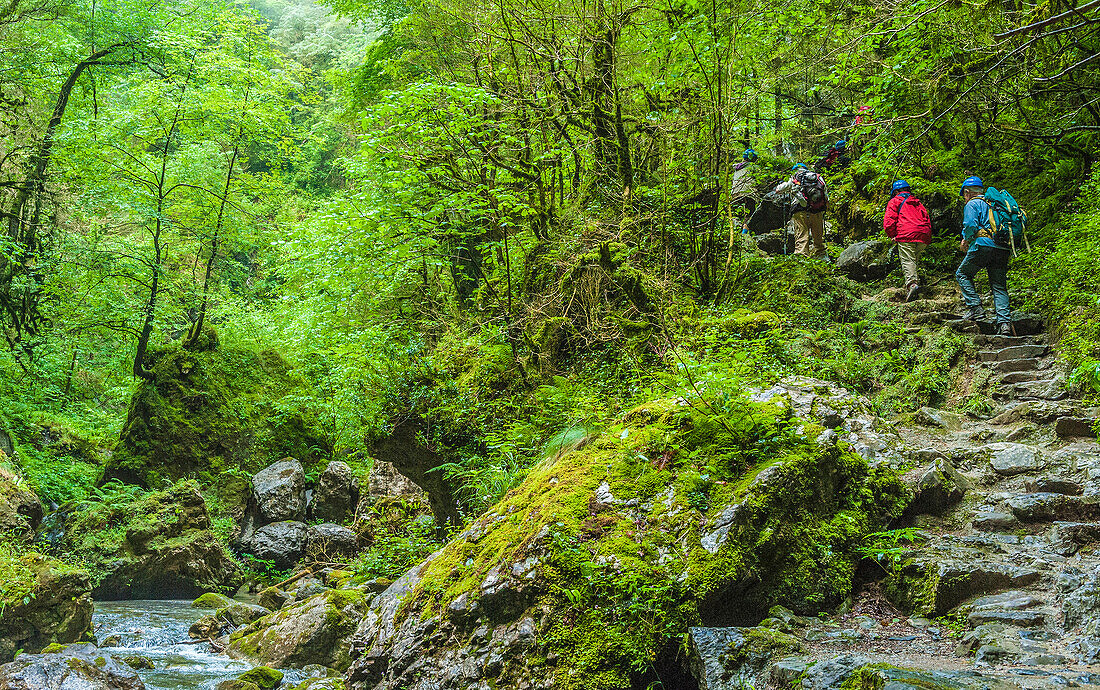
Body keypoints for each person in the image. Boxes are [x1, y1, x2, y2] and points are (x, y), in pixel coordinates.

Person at [956, 176, 1012, 335]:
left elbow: (970, 225)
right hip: (1002, 248)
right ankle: (1004, 324)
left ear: (967, 192)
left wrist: (966, 240)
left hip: (983, 246)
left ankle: (976, 309)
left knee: (962, 274)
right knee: (999, 285)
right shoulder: (995, 205)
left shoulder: (972, 204)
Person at [883, 179, 931, 302]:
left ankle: (912, 285)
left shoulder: (894, 201)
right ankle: (914, 282)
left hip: (907, 234)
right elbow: (927, 218)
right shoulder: (917, 202)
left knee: (908, 260)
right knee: (913, 260)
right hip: (923, 235)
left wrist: (893, 234)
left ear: (897, 191)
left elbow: (889, 222)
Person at [775, 163, 827, 257]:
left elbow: (779, 190)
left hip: (800, 210)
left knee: (802, 236)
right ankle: (821, 256)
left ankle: (802, 258)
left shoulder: (795, 178)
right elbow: (825, 194)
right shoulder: (818, 177)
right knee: (818, 237)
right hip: (817, 209)